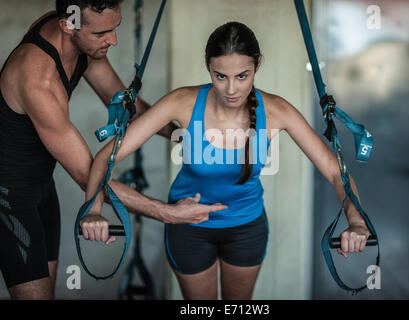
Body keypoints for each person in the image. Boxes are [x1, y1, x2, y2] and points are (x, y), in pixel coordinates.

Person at [82, 21, 371, 300]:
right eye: (221, 76)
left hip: (246, 228)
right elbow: (108, 155)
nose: (231, 89)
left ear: (257, 64)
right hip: (188, 228)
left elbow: (336, 173)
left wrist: (356, 220)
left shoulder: (277, 110)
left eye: (242, 76)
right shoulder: (182, 102)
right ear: (208, 66)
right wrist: (94, 209)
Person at [0, 0, 225, 300]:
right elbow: (88, 177)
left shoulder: (78, 35)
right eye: (103, 33)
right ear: (69, 25)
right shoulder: (37, 80)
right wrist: (169, 213)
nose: (113, 40)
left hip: (42, 186)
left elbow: (123, 105)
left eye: (115, 28)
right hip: (9, 197)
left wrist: (181, 135)